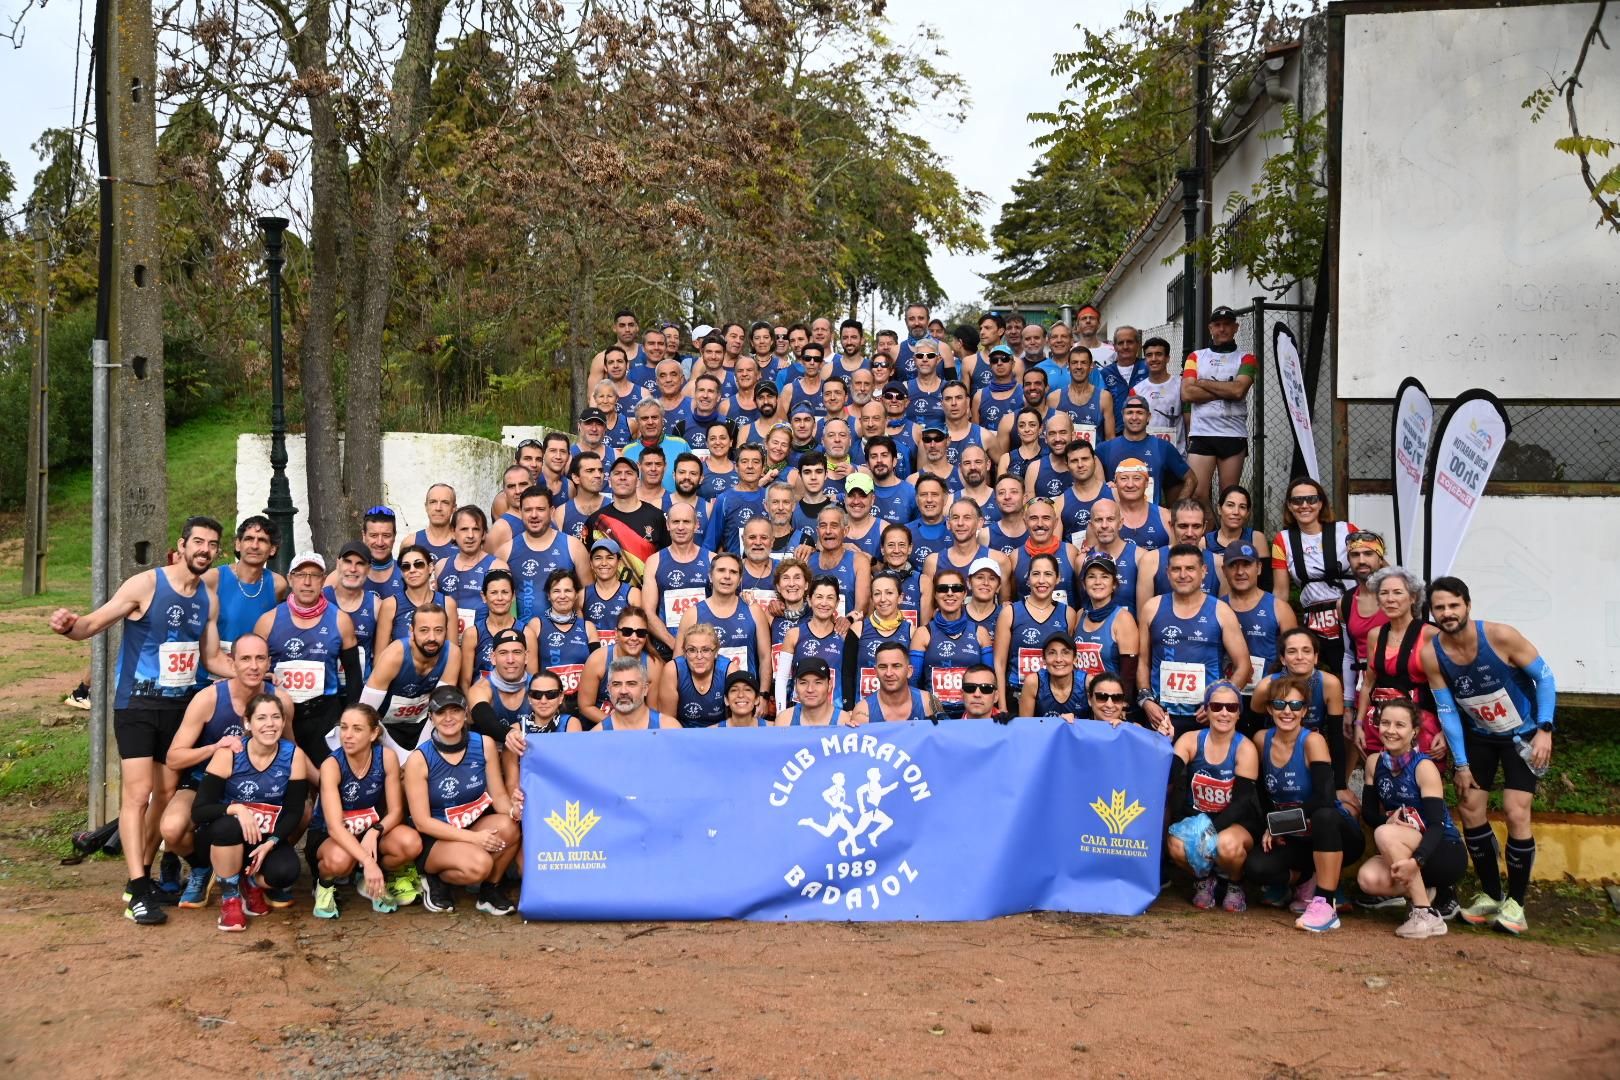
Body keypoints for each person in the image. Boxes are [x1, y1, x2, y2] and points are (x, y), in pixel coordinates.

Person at [48, 515, 232, 924]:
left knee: (164, 796)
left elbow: (212, 658)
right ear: (181, 546)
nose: (204, 549)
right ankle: (136, 886)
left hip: (179, 710)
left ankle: (142, 877)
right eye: (197, 542)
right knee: (137, 794)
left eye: (212, 544)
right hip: (137, 706)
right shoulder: (147, 585)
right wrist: (69, 627)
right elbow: (94, 624)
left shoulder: (208, 599)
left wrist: (254, 673)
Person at [1422, 577, 1557, 935]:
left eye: (1453, 605)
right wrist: (1461, 764)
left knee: (1516, 810)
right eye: (1440, 608)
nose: (1447, 613)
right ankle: (1490, 894)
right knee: (1469, 807)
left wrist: (1545, 729)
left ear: (1467, 605)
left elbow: (1544, 679)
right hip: (1479, 737)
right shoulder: (1432, 652)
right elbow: (1448, 710)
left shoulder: (1500, 637)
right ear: (1432, 613)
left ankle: (1517, 903)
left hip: (1522, 735)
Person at [160, 633, 294, 908]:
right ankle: (201, 868)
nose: (254, 666)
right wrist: (215, 747)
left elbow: (292, 752)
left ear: (269, 662)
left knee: (301, 809)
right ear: (231, 663)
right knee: (172, 829)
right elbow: (174, 758)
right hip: (207, 784)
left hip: (261, 790)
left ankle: (260, 868)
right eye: (245, 659)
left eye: (260, 659)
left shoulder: (280, 700)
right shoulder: (208, 698)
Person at [1241, 674, 1364, 933]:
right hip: (1297, 837)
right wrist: (1272, 824)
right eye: (1280, 704)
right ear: (1269, 708)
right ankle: (1306, 877)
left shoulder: (1312, 741)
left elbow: (1324, 797)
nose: (1288, 711)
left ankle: (1325, 903)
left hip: (1335, 834)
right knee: (1255, 867)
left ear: (1305, 711)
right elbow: (1263, 794)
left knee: (1324, 815)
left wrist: (1279, 824)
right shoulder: (1261, 740)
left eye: (1296, 706)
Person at [191, 692, 312, 930]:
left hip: (264, 838)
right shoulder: (229, 755)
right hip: (224, 839)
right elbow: (199, 811)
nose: (270, 724)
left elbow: (294, 811)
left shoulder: (293, 755)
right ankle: (230, 898)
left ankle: (250, 882)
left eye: (276, 717)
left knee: (286, 873)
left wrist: (273, 842)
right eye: (262, 718)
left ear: (283, 722)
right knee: (228, 825)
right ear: (248, 722)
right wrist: (236, 809)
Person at [403, 686, 521, 916]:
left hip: (471, 824)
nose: (448, 718)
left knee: (510, 826)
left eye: (455, 711)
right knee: (480, 866)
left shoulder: (484, 744)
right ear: (431, 718)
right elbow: (422, 823)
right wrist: (474, 839)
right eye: (440, 712)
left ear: (466, 714)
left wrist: (514, 811)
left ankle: (490, 891)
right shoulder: (419, 759)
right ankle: (435, 879)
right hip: (435, 836)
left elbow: (497, 796)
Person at [1355, 699, 1467, 939]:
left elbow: (1437, 825)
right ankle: (1428, 893)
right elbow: (1369, 815)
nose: (1391, 730)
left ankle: (1423, 912)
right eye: (1385, 723)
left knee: (1384, 833)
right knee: (1368, 879)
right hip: (1404, 845)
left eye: (1399, 725)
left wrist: (1416, 861)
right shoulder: (1375, 763)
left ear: (1414, 731)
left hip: (1442, 850)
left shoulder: (1424, 767)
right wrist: (1389, 817)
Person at [309, 703, 423, 919]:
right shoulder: (331, 765)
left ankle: (372, 879)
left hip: (370, 832)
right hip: (332, 837)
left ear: (374, 733)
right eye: (344, 728)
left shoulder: (386, 757)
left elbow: (397, 811)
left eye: (357, 729)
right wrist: (368, 861)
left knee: (411, 842)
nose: (347, 736)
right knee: (340, 859)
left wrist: (375, 831)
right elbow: (334, 827)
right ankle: (323, 885)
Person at [253, 552, 361, 767]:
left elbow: (354, 676)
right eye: (301, 574)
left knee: (327, 777)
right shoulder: (268, 621)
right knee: (287, 778)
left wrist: (351, 717)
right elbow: (252, 668)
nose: (307, 581)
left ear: (323, 580)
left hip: (325, 714)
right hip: (280, 716)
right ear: (290, 578)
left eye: (314, 575)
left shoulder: (340, 620)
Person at [1138, 545, 1253, 738]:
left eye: (1190, 568)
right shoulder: (1152, 607)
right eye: (1176, 569)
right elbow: (1142, 661)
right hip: (1163, 716)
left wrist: (1218, 705)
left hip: (1205, 717)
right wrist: (1146, 701)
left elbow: (1244, 666)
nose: (1183, 575)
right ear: (1167, 573)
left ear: (1204, 571)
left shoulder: (1221, 611)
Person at [1167, 681, 1260, 912]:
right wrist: (1165, 742)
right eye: (1217, 706)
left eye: (1231, 707)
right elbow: (1169, 776)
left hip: (1235, 822)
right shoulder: (1190, 740)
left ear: (1239, 713)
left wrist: (1208, 833)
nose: (1224, 713)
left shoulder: (1245, 748)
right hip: (1196, 818)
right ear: (1206, 710)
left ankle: (1235, 883)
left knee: (1225, 845)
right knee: (1175, 845)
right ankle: (1204, 879)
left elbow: (1242, 803)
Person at [1355, 566, 1443, 763]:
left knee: (1420, 782)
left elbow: (1447, 688)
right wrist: (1358, 723)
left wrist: (1445, 733)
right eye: (1384, 593)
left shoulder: (1430, 635)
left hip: (1419, 724)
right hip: (1379, 723)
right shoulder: (1375, 635)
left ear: (1412, 597)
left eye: (1397, 592)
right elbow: (1368, 683)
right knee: (1379, 780)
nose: (1390, 599)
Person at [1271, 476, 1358, 676]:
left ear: (1321, 503)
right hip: (1316, 622)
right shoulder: (1282, 540)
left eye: (1311, 499)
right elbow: (1281, 592)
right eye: (1297, 501)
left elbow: (1377, 566)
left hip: (1352, 613)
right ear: (1289, 507)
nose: (1304, 505)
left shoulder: (1346, 530)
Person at [1252, 629, 1350, 803]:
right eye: (1292, 651)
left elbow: (1336, 735)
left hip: (1312, 750)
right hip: (1276, 750)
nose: (1299, 657)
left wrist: (1340, 785)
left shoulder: (1329, 683)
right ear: (1283, 659)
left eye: (1306, 650)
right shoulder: (1266, 686)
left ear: (1316, 657)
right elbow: (1254, 725)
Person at [1181, 305, 1257, 503]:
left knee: (1230, 497)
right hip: (1202, 433)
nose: (1222, 329)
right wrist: (1227, 389)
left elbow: (1239, 390)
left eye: (1227, 325)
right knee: (1197, 495)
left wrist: (1204, 382)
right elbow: (1187, 392)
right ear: (1210, 328)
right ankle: (1208, 534)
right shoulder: (1195, 357)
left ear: (1236, 328)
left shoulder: (1246, 358)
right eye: (1218, 325)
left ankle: (1231, 535)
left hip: (1232, 434)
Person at [361, 603, 459, 749]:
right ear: (411, 632)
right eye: (424, 630)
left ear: (446, 631)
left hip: (425, 725)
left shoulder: (452, 654)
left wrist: (419, 752)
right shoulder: (394, 655)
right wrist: (400, 756)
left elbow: (441, 709)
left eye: (438, 630)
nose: (432, 637)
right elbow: (365, 712)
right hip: (386, 726)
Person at [200, 517, 287, 680]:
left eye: (262, 540)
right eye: (248, 539)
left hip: (254, 676)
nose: (254, 545)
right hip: (211, 679)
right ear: (238, 544)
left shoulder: (277, 584)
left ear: (273, 549)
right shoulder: (212, 579)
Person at [1219, 542, 1296, 710]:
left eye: (1247, 564)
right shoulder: (1216, 608)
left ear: (1259, 568)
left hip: (1267, 698)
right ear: (1224, 571)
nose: (1240, 572)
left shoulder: (1279, 608)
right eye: (1233, 565)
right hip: (1226, 697)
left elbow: (1294, 660)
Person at [911, 569, 994, 720]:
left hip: (972, 716)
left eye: (956, 588)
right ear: (935, 595)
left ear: (964, 594)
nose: (950, 593)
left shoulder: (980, 632)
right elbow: (913, 682)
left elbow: (989, 680)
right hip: (934, 717)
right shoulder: (923, 633)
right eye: (943, 588)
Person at [499, 486, 590, 622]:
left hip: (565, 633)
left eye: (540, 509)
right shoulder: (505, 551)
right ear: (520, 512)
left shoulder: (573, 546)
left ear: (552, 511)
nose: (534, 515)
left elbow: (588, 595)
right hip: (523, 636)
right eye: (528, 510)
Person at [996, 552, 1077, 705]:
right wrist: (1002, 705)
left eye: (1048, 574)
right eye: (1036, 574)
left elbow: (1070, 662)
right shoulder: (1010, 613)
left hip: (1051, 697)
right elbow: (999, 663)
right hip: (1016, 694)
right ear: (1028, 579)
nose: (1041, 580)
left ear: (1057, 578)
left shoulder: (1068, 614)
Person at [677, 552, 770, 677]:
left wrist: (763, 694)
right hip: (704, 693)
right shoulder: (692, 614)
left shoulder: (754, 610)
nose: (727, 576)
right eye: (721, 570)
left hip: (744, 692)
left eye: (733, 572)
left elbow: (765, 658)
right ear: (710, 576)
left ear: (740, 580)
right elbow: (678, 663)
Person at [1096, 395, 1191, 505]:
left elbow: (1191, 479)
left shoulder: (1163, 447)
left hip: (1151, 518)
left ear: (1148, 417)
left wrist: (1176, 511)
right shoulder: (1105, 449)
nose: (1134, 417)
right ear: (1122, 416)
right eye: (1130, 412)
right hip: (1116, 518)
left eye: (1140, 413)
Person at [778, 577, 854, 713]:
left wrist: (848, 711)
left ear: (837, 603)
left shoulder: (845, 636)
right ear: (809, 600)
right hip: (799, 713)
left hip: (834, 713)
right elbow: (782, 679)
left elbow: (850, 678)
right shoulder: (794, 634)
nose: (824, 603)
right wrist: (780, 712)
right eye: (819, 597)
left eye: (830, 598)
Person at [588, 456, 670, 582]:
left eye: (629, 473)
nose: (622, 477)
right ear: (609, 481)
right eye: (617, 473)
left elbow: (667, 560)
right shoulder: (596, 520)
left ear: (638, 481)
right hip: (607, 598)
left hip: (647, 595)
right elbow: (585, 565)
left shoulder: (657, 517)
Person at [577, 609, 662, 729]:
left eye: (640, 633)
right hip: (601, 727)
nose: (634, 637)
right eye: (627, 632)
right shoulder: (598, 659)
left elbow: (653, 710)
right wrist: (619, 725)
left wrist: (633, 727)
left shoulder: (653, 665)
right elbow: (585, 706)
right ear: (616, 633)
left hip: (638, 729)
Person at [1337, 530, 1391, 711]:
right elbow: (1348, 654)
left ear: (1380, 558)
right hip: (1364, 691)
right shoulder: (1345, 603)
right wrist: (1348, 703)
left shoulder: (1400, 596)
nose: (1361, 560)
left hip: (1400, 687)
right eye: (1354, 555)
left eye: (1368, 554)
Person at [533, 569, 598, 713]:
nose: (562, 596)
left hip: (582, 705)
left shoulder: (588, 627)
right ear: (549, 596)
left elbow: (599, 671)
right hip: (548, 705)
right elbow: (530, 673)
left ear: (576, 595)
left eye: (568, 591)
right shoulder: (536, 625)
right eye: (556, 591)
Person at [376, 543, 456, 651]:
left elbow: (453, 654)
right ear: (401, 572)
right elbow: (380, 658)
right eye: (406, 566)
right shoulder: (390, 605)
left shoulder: (448, 604)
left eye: (418, 564)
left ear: (430, 567)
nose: (412, 570)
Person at [1073, 554, 1137, 685]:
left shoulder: (1123, 619)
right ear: (1084, 584)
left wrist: (1122, 702)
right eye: (1091, 576)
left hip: (1108, 701)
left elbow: (1128, 675)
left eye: (1105, 576)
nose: (1097, 582)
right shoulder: (1080, 615)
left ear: (1114, 584)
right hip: (1081, 699)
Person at [461, 569, 533, 684]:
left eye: (505, 592)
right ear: (484, 596)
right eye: (493, 592)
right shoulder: (472, 634)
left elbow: (532, 681)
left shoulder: (527, 633)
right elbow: (465, 682)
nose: (500, 598)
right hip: (481, 699)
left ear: (513, 596)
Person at [325, 541, 381, 689]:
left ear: (368, 569)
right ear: (338, 564)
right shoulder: (322, 599)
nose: (353, 569)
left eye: (360, 564)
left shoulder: (376, 605)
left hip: (361, 689)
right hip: (328, 694)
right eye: (347, 562)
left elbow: (380, 655)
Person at [440, 504, 503, 632]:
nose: (470, 535)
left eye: (476, 529)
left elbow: (508, 615)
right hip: (448, 642)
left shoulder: (497, 567)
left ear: (484, 534)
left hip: (483, 642)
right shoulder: (441, 566)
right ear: (453, 532)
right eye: (464, 529)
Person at [657, 624, 733, 728]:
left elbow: (735, 723)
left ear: (715, 652)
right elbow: (667, 723)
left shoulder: (729, 670)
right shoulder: (673, 670)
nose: (699, 656)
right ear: (684, 652)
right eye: (692, 650)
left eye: (706, 650)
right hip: (683, 735)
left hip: (719, 735)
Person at [580, 655, 679, 731]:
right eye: (617, 684)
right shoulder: (597, 735)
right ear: (609, 689)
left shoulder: (669, 728)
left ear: (645, 689)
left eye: (631, 684)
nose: (623, 691)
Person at [852, 641, 939, 724]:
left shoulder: (929, 701)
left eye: (896, 666)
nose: (889, 673)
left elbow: (946, 733)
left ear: (909, 671)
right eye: (883, 667)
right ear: (875, 672)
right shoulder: (862, 712)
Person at [1046, 346, 1115, 445]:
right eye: (1074, 362)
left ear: (1091, 366)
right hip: (1064, 458)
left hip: (1094, 458)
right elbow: (1049, 437)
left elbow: (1110, 439)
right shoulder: (1054, 398)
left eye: (1083, 362)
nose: (1079, 366)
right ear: (1068, 366)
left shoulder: (1104, 397)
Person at [1128, 336, 1185, 452]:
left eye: (1158, 354)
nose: (1153, 359)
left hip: (1177, 453)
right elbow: (1131, 424)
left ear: (1168, 358)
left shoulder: (1181, 384)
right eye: (1149, 355)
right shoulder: (1136, 391)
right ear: (1145, 360)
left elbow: (1189, 419)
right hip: (1147, 452)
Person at [1019, 633, 1086, 720]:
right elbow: (1025, 727)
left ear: (1075, 659)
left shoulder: (1087, 684)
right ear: (1044, 659)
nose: (1058, 659)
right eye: (1052, 653)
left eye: (1065, 652)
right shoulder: (1033, 682)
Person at [1112, 459, 1172, 551]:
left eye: (1137, 478)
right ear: (1115, 483)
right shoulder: (1104, 516)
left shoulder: (1165, 516)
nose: (1130, 485)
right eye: (1124, 478)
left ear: (1147, 483)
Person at [774, 657, 852, 727]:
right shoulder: (784, 721)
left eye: (818, 682)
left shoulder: (843, 721)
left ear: (830, 685)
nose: (810, 689)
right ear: (795, 686)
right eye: (803, 683)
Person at [411, 484, 460, 564]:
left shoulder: (465, 542)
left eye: (445, 502)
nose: (438, 508)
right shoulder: (411, 542)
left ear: (454, 508)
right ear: (426, 506)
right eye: (433, 502)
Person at [1205, 484, 1257, 557]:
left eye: (1242, 507)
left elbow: (1262, 568)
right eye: (1230, 505)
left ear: (1247, 513)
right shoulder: (1205, 542)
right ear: (1219, 509)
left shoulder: (1256, 538)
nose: (1236, 512)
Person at [997, 407, 1046, 483]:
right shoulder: (1006, 459)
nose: (1026, 429)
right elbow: (1001, 489)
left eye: (1032, 425)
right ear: (1017, 429)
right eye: (1021, 425)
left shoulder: (1048, 457)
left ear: (1040, 429)